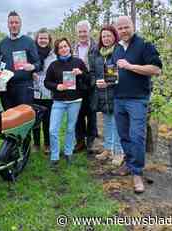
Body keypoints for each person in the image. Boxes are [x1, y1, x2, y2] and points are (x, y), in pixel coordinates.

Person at [112, 16, 162, 193]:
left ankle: (137, 173)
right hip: (119, 99)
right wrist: (107, 81)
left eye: (126, 27)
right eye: (120, 28)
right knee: (124, 135)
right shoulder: (117, 48)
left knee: (137, 136)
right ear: (117, 30)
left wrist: (131, 66)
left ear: (133, 26)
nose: (124, 30)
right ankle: (129, 164)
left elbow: (156, 69)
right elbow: (115, 71)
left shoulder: (144, 44)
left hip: (137, 99)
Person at [44, 37, 89, 167]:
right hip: (58, 101)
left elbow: (87, 79)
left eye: (65, 46)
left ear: (69, 47)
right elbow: (47, 82)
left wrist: (80, 73)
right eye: (60, 48)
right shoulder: (53, 65)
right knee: (53, 129)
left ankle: (68, 152)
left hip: (75, 101)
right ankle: (55, 155)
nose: (64, 49)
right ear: (57, 51)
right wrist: (56, 86)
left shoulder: (78, 62)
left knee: (70, 128)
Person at [94, 25, 125, 165]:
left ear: (114, 36)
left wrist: (109, 83)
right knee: (107, 122)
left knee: (117, 124)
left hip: (117, 93)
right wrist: (96, 81)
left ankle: (119, 152)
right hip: (103, 94)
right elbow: (94, 72)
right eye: (103, 36)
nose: (106, 39)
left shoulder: (120, 51)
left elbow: (123, 73)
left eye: (108, 36)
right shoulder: (98, 53)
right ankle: (108, 149)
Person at [0, 11, 41, 110]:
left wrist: (32, 67)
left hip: (24, 88)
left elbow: (38, 63)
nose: (14, 25)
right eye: (11, 23)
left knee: (24, 119)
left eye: (16, 23)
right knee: (9, 120)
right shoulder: (3, 43)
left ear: (20, 24)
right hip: (6, 89)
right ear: (8, 25)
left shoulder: (28, 41)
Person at [73, 20, 100, 154]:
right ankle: (80, 141)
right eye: (80, 32)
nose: (82, 34)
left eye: (85, 31)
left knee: (91, 113)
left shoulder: (96, 47)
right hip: (77, 84)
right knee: (78, 113)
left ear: (89, 31)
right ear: (77, 33)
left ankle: (91, 141)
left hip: (90, 83)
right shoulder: (74, 47)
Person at [32, 28, 57, 154]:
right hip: (34, 91)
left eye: (45, 38)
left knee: (47, 119)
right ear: (37, 39)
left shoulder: (53, 56)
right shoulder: (32, 54)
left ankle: (47, 144)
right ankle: (36, 144)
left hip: (48, 92)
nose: (43, 40)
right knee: (35, 119)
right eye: (40, 38)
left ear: (49, 40)